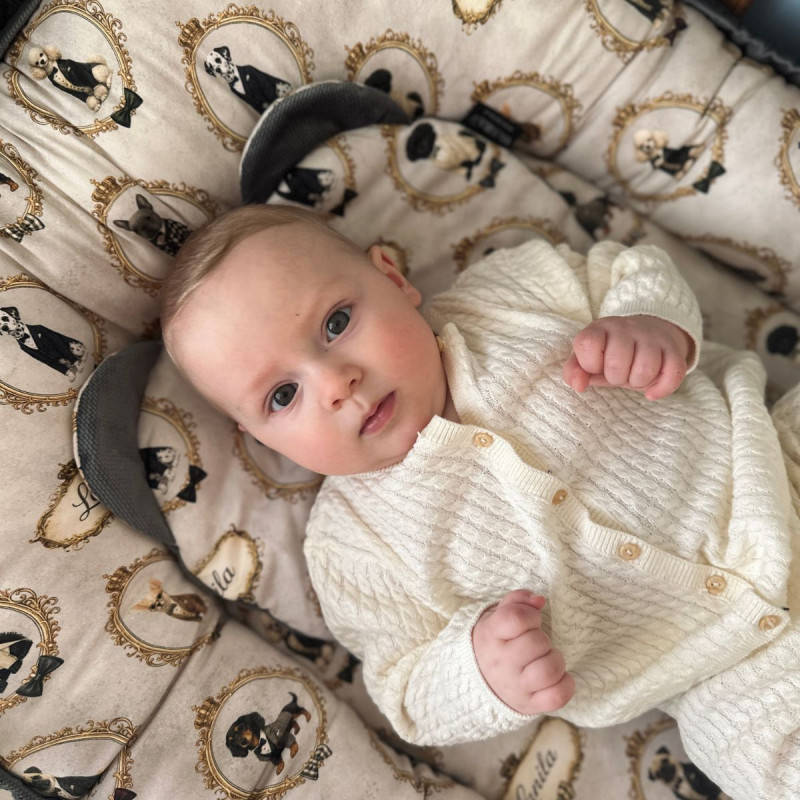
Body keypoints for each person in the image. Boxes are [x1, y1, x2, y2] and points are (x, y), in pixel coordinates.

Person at [161, 203, 800, 800]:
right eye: (282, 396)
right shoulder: (350, 548)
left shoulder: (508, 295)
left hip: (776, 463)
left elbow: (626, 267)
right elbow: (407, 689)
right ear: (260, 438)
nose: (335, 383)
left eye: (336, 323)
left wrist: (649, 323)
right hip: (720, 674)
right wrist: (480, 669)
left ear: (393, 279)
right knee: (755, 756)